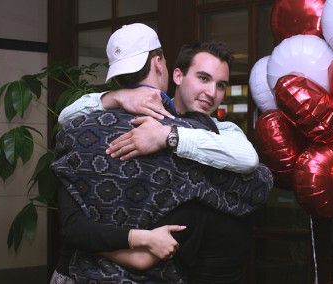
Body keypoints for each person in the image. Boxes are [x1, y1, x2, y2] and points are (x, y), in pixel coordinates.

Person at [51, 23, 272, 283]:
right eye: (203, 78)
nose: (212, 93)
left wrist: (168, 136)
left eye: (221, 85)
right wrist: (117, 97)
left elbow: (248, 160)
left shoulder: (218, 133)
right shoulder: (94, 122)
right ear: (166, 68)